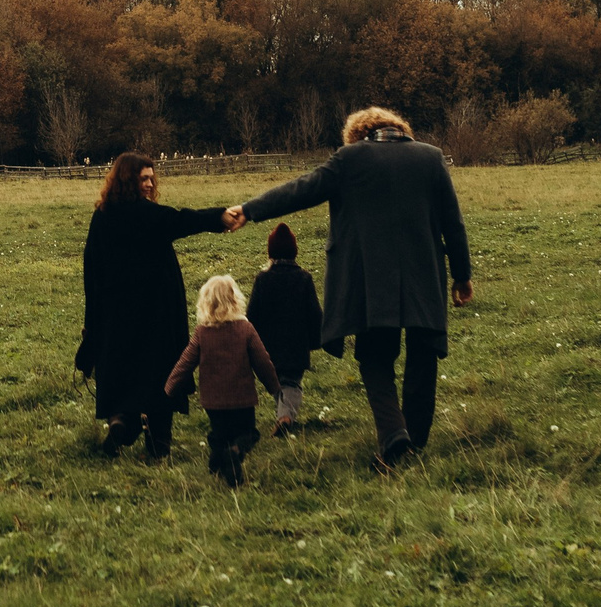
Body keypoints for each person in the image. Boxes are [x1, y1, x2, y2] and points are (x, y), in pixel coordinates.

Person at [235, 106, 472, 469]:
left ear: (358, 135)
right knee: (423, 358)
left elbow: (301, 190)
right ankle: (415, 441)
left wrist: (250, 210)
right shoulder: (431, 158)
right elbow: (452, 224)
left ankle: (395, 435)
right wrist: (462, 275)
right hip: (424, 279)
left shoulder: (351, 158)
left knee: (375, 358)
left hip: (370, 282)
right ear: (399, 129)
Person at [74, 151, 238, 462]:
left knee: (125, 371)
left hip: (115, 313)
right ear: (128, 180)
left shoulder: (103, 216)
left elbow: (90, 267)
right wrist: (219, 217)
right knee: (160, 374)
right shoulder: (144, 214)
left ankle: (122, 420)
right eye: (144, 178)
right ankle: (157, 444)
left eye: (152, 177)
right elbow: (181, 220)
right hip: (155, 313)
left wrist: (92, 319)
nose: (150, 184)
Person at [164, 274, 282, 486]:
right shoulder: (246, 329)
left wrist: (170, 387)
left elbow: (185, 362)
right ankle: (234, 452)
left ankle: (219, 459)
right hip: (242, 399)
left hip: (213, 402)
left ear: (206, 303)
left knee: (220, 434)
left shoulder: (202, 333)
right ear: (235, 300)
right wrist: (274, 386)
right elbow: (262, 361)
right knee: (249, 433)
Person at [249, 221, 322, 436]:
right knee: (292, 383)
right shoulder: (304, 278)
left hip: (269, 346)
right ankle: (285, 417)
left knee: (277, 381)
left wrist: (250, 344)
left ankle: (283, 415)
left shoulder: (262, 279)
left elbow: (252, 315)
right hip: (296, 346)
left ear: (270, 252)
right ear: (294, 251)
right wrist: (316, 341)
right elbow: (314, 313)